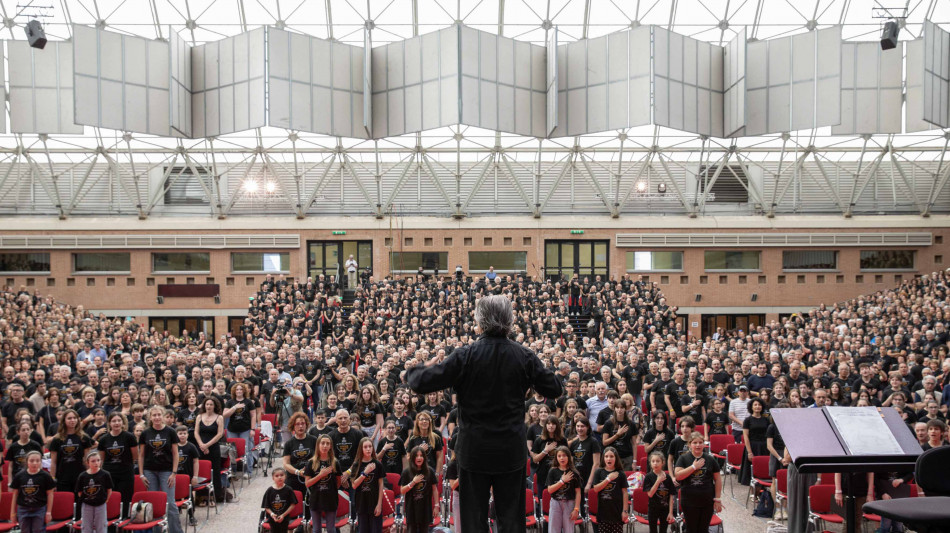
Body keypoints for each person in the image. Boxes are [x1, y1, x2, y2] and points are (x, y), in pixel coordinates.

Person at [406, 294, 562, 533]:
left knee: (473, 522)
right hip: (510, 452)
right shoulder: (524, 355)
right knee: (511, 522)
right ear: (509, 321)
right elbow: (554, 388)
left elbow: (418, 382)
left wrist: (418, 368)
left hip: (474, 452)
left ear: (480, 321)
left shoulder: (465, 356)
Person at [138, 405, 182, 533]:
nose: (157, 417)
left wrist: (174, 473)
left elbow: (175, 454)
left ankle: (176, 531)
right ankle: (157, 531)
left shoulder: (171, 432)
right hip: (149, 471)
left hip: (167, 471)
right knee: (154, 504)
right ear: (150, 417)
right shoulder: (145, 433)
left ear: (162, 416)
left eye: (159, 415)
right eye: (154, 415)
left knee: (170, 503)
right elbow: (141, 455)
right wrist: (141, 474)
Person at [673, 432, 723, 533]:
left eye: (700, 442)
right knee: (691, 529)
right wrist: (693, 467)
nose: (698, 445)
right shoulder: (683, 458)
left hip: (707, 500)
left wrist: (717, 499)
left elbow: (717, 479)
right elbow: (678, 475)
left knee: (703, 529)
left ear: (704, 444)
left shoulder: (710, 459)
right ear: (690, 444)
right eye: (695, 442)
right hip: (689, 501)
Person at [97, 412, 137, 508]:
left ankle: (125, 518)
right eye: (114, 421)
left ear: (122, 423)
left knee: (126, 499)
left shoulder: (129, 437)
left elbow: (135, 456)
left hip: (126, 473)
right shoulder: (103, 439)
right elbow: (101, 459)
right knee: (111, 499)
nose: (116, 423)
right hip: (109, 473)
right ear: (109, 423)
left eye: (119, 420)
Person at [10, 451, 56, 533]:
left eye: (38, 461)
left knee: (38, 530)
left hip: (39, 509)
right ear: (27, 462)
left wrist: (48, 512)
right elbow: (15, 495)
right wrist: (13, 512)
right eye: (31, 461)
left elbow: (50, 494)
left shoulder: (45, 476)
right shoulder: (19, 476)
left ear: (41, 462)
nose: (35, 463)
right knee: (24, 531)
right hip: (23, 509)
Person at [304, 435, 342, 533]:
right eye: (322, 443)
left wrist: (330, 490)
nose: (325, 446)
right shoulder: (311, 463)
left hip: (331, 499)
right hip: (316, 499)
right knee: (316, 529)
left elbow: (338, 482)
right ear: (318, 445)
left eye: (327, 443)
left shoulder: (335, 462)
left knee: (331, 529)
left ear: (330, 446)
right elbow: (307, 484)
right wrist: (320, 475)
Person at [49, 409, 93, 493]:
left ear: (78, 420)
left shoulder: (84, 438)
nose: (72, 420)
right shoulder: (57, 439)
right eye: (69, 418)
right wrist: (52, 479)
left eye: (74, 418)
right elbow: (53, 462)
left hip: (80, 477)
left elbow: (86, 460)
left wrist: (90, 476)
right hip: (62, 477)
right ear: (64, 421)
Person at [399, 446, 439, 533]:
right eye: (416, 456)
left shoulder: (430, 471)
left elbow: (435, 489)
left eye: (421, 455)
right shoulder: (406, 472)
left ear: (424, 458)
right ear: (413, 457)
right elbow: (402, 490)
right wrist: (413, 482)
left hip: (425, 507)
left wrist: (436, 505)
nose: (419, 458)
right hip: (411, 508)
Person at [349, 437, 385, 533]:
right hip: (361, 503)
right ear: (361, 449)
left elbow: (381, 485)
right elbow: (354, 485)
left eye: (370, 446)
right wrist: (364, 473)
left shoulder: (378, 464)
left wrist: (379, 504)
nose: (368, 449)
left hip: (374, 503)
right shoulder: (356, 465)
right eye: (365, 447)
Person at [590, 446, 629, 533]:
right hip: (603, 512)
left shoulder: (621, 474)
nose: (609, 459)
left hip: (617, 512)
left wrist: (625, 511)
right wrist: (608, 479)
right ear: (603, 458)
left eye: (611, 456)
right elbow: (595, 489)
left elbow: (625, 493)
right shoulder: (599, 472)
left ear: (616, 458)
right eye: (606, 456)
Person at [195, 397, 225, 504]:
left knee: (215, 472)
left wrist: (207, 445)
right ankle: (202, 497)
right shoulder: (199, 417)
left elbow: (220, 434)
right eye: (207, 404)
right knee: (201, 472)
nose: (209, 406)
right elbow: (196, 432)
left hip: (213, 448)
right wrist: (201, 445)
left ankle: (215, 496)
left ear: (215, 406)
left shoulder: (219, 417)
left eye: (211, 404)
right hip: (201, 448)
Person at [224, 382, 257, 479]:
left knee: (247, 450)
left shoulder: (248, 402)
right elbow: (225, 415)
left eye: (241, 389)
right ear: (234, 391)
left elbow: (253, 415)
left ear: (244, 391)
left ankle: (248, 471)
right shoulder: (230, 402)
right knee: (232, 451)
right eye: (237, 389)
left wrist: (252, 429)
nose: (239, 391)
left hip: (245, 429)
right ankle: (233, 471)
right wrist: (234, 407)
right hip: (232, 430)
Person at [544, 446, 581, 533]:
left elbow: (578, 493)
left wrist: (576, 509)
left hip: (569, 503)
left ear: (568, 457)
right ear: (556, 458)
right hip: (555, 503)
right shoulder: (552, 471)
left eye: (564, 455)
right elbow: (549, 490)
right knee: (553, 530)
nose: (562, 458)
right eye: (559, 456)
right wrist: (562, 481)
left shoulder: (574, 473)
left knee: (568, 530)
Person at [74, 451, 113, 533]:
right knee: (86, 527)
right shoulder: (82, 476)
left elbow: (109, 490)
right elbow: (79, 492)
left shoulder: (105, 474)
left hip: (100, 504)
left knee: (101, 527)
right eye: (93, 461)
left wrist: (106, 500)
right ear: (87, 462)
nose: (96, 463)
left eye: (98, 460)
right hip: (87, 505)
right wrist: (88, 498)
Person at [644, 452, 675, 533]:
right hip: (653, 509)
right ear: (650, 463)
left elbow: (671, 496)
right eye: (653, 461)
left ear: (663, 462)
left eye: (658, 461)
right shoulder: (648, 477)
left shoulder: (667, 477)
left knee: (663, 530)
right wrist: (658, 481)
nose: (655, 463)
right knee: (653, 530)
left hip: (665, 509)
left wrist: (671, 513)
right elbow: (650, 494)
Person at [261, 468, 298, 533]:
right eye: (277, 476)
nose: (279, 477)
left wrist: (283, 515)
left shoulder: (288, 489)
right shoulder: (269, 490)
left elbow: (293, 504)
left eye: (281, 475)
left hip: (285, 518)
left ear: (285, 476)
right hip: (272, 518)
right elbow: (266, 507)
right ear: (273, 478)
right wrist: (272, 514)